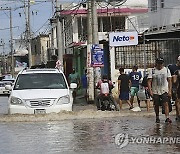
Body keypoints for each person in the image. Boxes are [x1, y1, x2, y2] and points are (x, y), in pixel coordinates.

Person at [148, 57, 172, 123]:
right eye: (158, 63)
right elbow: (149, 81)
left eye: (161, 63)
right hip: (155, 90)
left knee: (166, 103)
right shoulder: (152, 71)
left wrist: (170, 90)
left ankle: (167, 117)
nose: (160, 65)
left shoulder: (166, 70)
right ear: (156, 63)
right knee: (156, 104)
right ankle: (157, 117)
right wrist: (150, 91)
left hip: (164, 90)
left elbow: (169, 80)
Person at [168, 55, 180, 121]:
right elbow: (170, 78)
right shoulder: (172, 67)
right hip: (175, 87)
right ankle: (178, 115)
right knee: (177, 101)